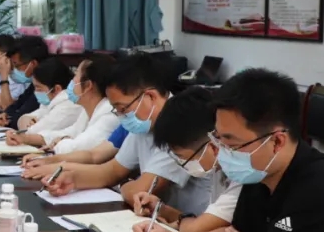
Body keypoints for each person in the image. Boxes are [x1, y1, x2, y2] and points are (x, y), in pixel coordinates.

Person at [134, 69, 324, 232]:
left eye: (231, 144)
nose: (221, 151)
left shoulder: (320, 182)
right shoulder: (260, 172)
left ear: (277, 141)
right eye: (218, 139)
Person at [44, 53, 213, 216]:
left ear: (150, 96)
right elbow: (112, 171)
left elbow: (141, 190)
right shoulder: (144, 124)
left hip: (190, 223)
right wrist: (72, 179)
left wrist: (124, 184)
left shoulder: (180, 123)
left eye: (123, 108)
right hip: (166, 220)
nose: (121, 115)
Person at [129, 87, 241, 232]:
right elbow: (204, 223)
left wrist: (176, 225)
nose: (182, 164)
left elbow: (196, 229)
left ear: (212, 147)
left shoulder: (241, 177)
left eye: (182, 158)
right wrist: (161, 209)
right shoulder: (217, 169)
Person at [13, 55, 118, 161]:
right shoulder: (88, 110)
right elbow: (72, 132)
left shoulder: (109, 114)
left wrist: (59, 143)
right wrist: (25, 138)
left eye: (76, 75)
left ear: (87, 85)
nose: (72, 81)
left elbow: (78, 147)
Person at [0, 36, 47, 129]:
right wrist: (6, 114)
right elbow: (18, 104)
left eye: (16, 65)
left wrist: (4, 78)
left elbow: (21, 116)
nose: (14, 69)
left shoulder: (47, 82)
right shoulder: (35, 82)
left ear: (33, 64)